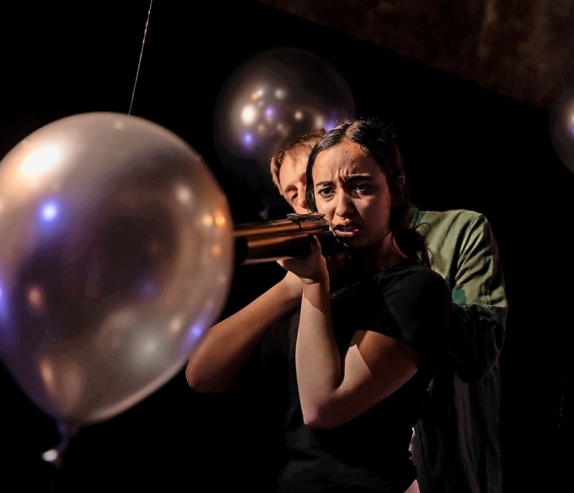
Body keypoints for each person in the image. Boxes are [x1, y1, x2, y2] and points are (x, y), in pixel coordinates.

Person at [186, 118, 452, 493]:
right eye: (324, 192)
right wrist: (292, 287)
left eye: (361, 187)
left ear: (395, 188)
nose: (341, 208)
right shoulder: (313, 287)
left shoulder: (416, 287)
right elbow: (201, 373)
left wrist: (312, 283)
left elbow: (323, 406)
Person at [267, 127, 508, 493]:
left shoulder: (459, 229)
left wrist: (401, 273)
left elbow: (478, 353)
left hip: (438, 458)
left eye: (310, 186)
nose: (306, 204)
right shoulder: (329, 268)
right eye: (298, 193)